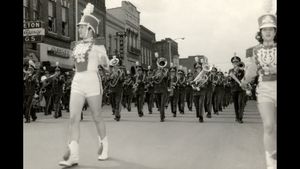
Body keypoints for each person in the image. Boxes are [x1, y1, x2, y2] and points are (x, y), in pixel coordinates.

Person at [59, 3, 110, 167]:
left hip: (93, 81)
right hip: (78, 81)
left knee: (96, 116)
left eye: (82, 27)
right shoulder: (76, 45)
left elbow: (107, 66)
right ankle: (73, 155)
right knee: (73, 118)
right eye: (79, 27)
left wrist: (104, 60)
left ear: (90, 28)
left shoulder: (99, 45)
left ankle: (104, 146)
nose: (79, 30)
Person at [240, 13, 277, 169]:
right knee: (269, 125)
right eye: (264, 29)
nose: (267, 32)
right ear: (260, 33)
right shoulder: (256, 51)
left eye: (271, 29)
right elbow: (252, 70)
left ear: (275, 31)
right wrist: (244, 81)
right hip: (265, 90)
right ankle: (271, 163)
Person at [228, 55, 247, 123]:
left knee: (241, 103)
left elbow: (245, 78)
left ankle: (240, 117)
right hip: (234, 89)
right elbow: (229, 79)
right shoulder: (230, 70)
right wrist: (235, 72)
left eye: (237, 62)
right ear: (232, 63)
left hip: (241, 89)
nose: (235, 63)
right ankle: (237, 116)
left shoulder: (242, 70)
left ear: (239, 62)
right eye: (234, 62)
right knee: (236, 104)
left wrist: (240, 71)